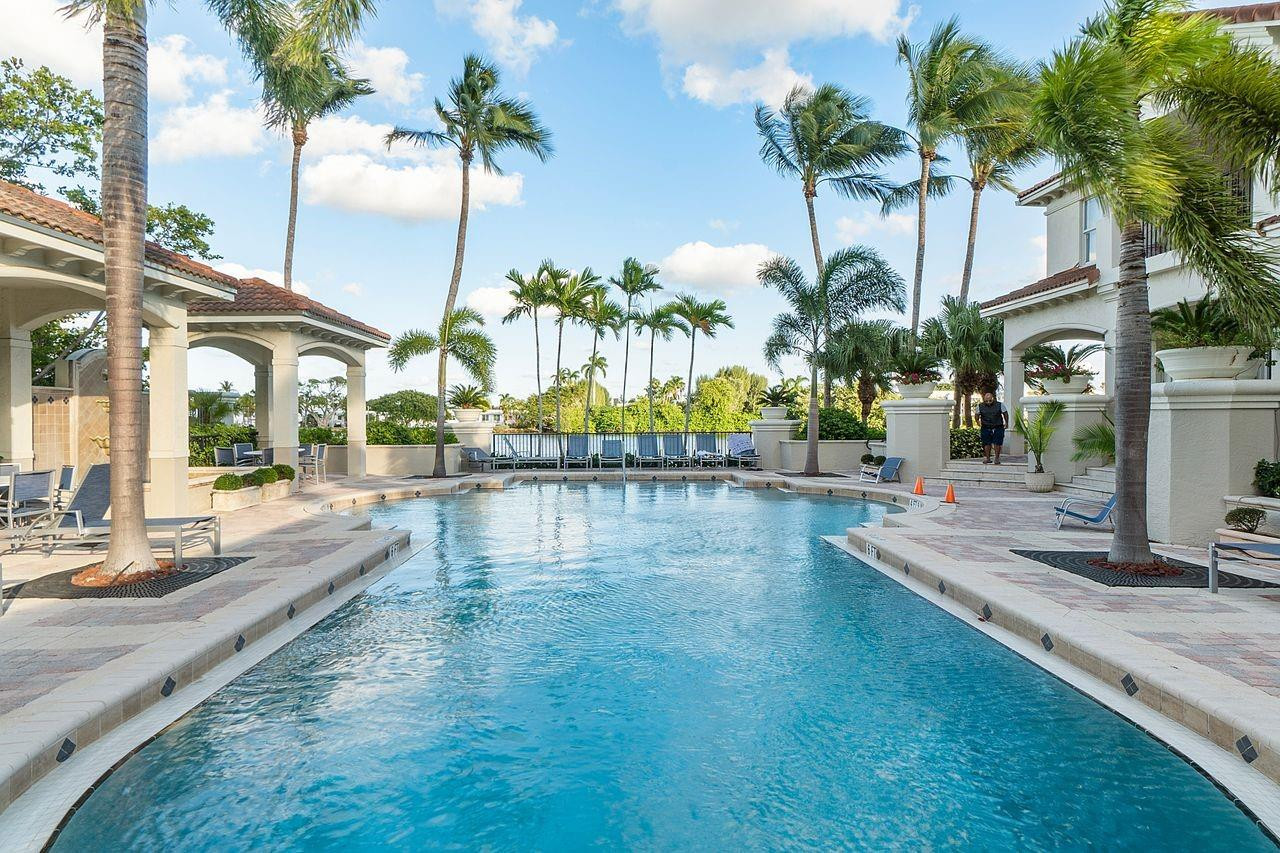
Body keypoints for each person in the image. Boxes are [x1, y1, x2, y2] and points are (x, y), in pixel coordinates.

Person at [977, 391, 1009, 465]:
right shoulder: (979, 406)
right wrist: (977, 421)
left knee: (997, 442)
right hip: (985, 426)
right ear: (984, 400)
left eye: (990, 400)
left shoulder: (1000, 405)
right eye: (986, 401)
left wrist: (1006, 423)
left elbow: (1005, 413)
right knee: (986, 443)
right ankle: (988, 458)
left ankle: (997, 458)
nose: (988, 402)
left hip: (998, 426)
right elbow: (977, 415)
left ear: (993, 398)